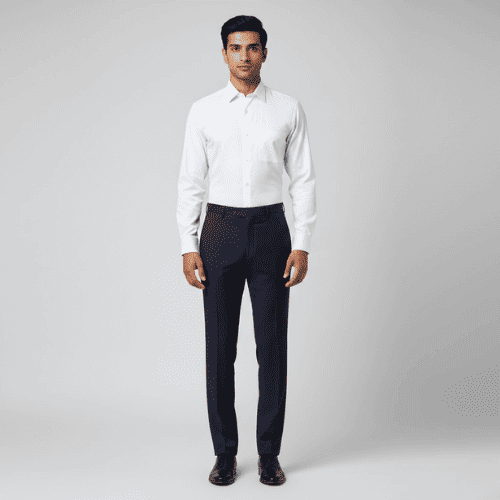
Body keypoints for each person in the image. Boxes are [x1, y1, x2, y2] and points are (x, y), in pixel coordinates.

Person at [176, 14, 317, 486]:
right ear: (224, 54)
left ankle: (269, 454)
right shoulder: (203, 111)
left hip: (271, 230)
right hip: (219, 229)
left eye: (252, 47)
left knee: (271, 348)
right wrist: (187, 245)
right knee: (220, 348)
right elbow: (190, 181)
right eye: (235, 48)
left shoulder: (287, 109)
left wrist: (302, 243)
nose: (244, 56)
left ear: (264, 53)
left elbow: (303, 179)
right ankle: (224, 453)